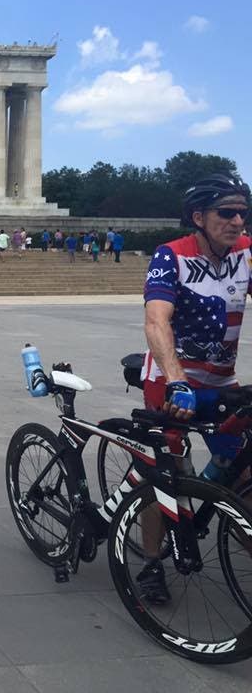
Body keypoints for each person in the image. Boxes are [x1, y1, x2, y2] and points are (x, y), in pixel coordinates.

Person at [138, 172, 252, 603]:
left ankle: (221, 508)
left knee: (243, 468)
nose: (238, 220)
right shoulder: (172, 256)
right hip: (171, 380)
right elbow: (156, 320)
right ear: (199, 216)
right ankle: (151, 562)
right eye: (227, 212)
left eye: (243, 212)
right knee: (166, 473)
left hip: (222, 382)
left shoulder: (246, 254)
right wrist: (177, 380)